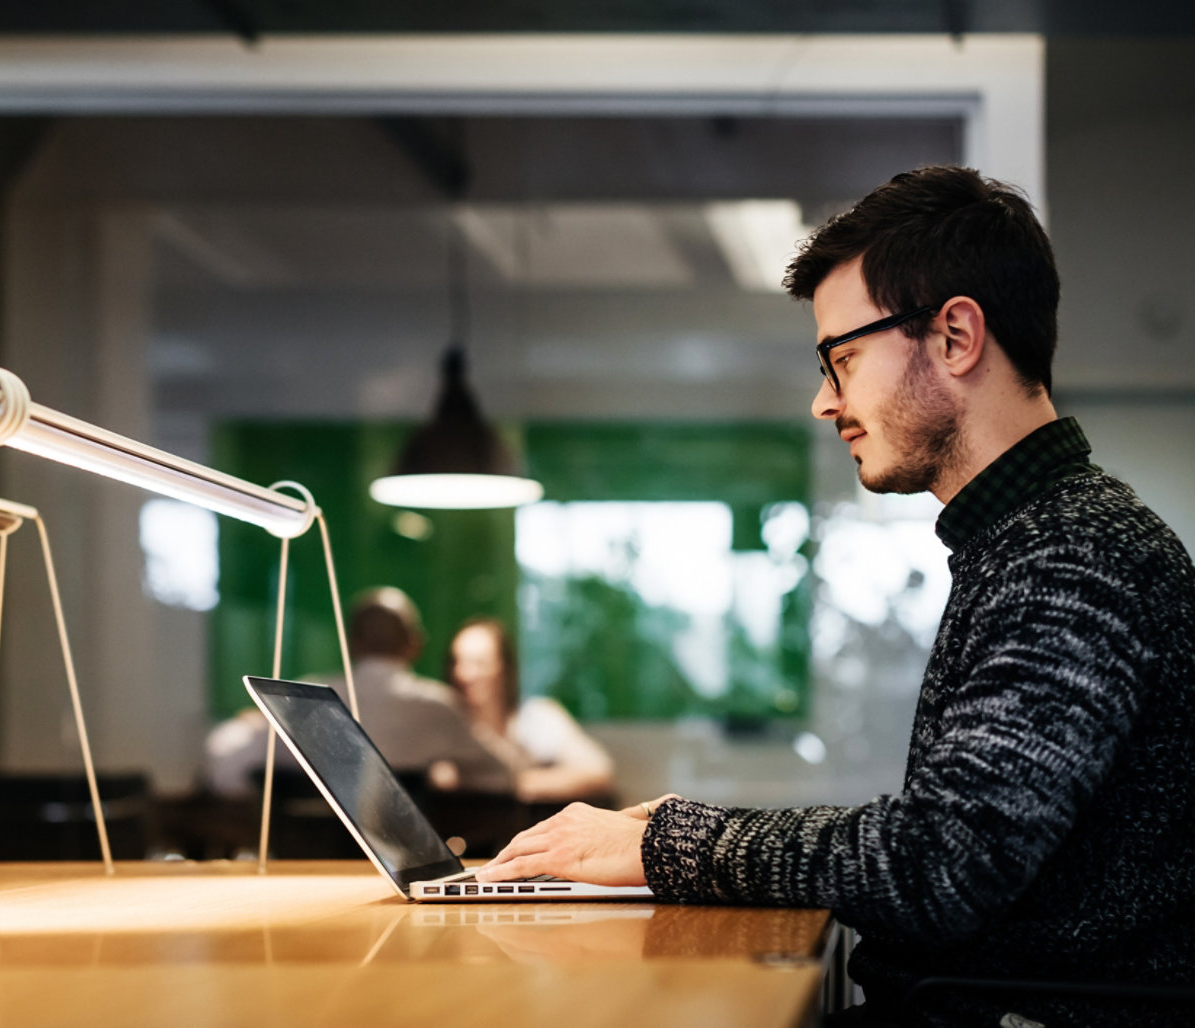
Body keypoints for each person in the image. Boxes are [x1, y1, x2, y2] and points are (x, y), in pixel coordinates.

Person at [476, 166, 1195, 1025]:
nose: (826, 402)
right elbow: (952, 838)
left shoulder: (1073, 555)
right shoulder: (1036, 538)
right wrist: (684, 831)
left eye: (843, 358)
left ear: (956, 337)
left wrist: (670, 843)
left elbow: (943, 866)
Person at [202, 586, 515, 798]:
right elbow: (504, 776)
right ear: (415, 643)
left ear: (352, 643)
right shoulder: (438, 706)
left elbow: (223, 766)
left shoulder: (305, 700)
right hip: (403, 870)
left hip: (301, 870)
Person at [446, 617, 616, 804]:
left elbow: (598, 772)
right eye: (457, 662)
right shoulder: (444, 725)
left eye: (479, 663)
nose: (463, 674)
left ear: (504, 668)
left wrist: (516, 784)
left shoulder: (536, 717)